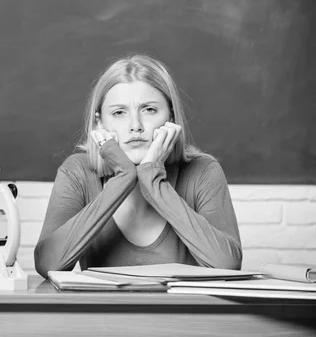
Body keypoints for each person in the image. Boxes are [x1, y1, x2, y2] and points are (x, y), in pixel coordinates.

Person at [34, 54, 242, 278]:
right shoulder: (77, 172)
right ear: (100, 122)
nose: (135, 126)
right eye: (119, 113)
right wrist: (124, 177)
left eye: (149, 110)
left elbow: (226, 265)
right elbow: (48, 264)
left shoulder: (203, 171)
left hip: (182, 313)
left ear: (171, 116)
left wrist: (151, 177)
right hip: (105, 313)